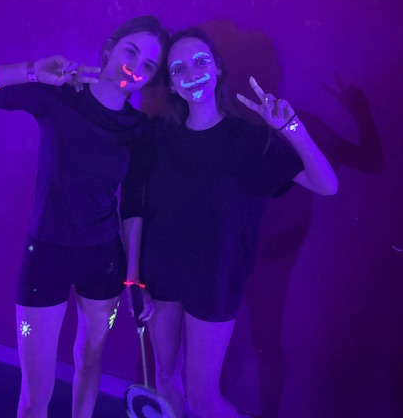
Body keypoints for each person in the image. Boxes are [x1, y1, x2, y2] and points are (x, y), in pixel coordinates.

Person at [0, 15, 170, 418]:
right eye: (130, 51)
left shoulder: (139, 130)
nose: (135, 66)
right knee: (35, 397)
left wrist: (133, 278)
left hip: (104, 262)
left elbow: (133, 207)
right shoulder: (60, 96)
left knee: (90, 363)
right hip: (46, 255)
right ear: (110, 49)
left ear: (150, 79)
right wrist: (31, 70)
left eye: (148, 65)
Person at [122, 27, 338, 418]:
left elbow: (327, 185)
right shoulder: (158, 136)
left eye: (200, 62)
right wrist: (134, 278)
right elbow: (134, 204)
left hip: (215, 281)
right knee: (165, 378)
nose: (192, 74)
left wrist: (291, 127)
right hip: (161, 276)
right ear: (171, 83)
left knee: (202, 398)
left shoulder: (246, 139)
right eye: (179, 68)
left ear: (218, 69)